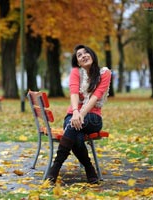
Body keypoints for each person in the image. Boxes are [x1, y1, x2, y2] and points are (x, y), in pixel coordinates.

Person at [46, 44, 111, 184]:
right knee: (76, 135)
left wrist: (81, 114)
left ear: (92, 55)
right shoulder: (76, 72)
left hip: (93, 118)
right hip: (73, 116)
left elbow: (96, 97)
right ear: (77, 62)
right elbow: (74, 92)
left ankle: (55, 167)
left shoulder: (104, 73)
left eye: (86, 52)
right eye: (79, 55)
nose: (83, 56)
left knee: (71, 127)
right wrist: (76, 112)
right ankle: (89, 168)